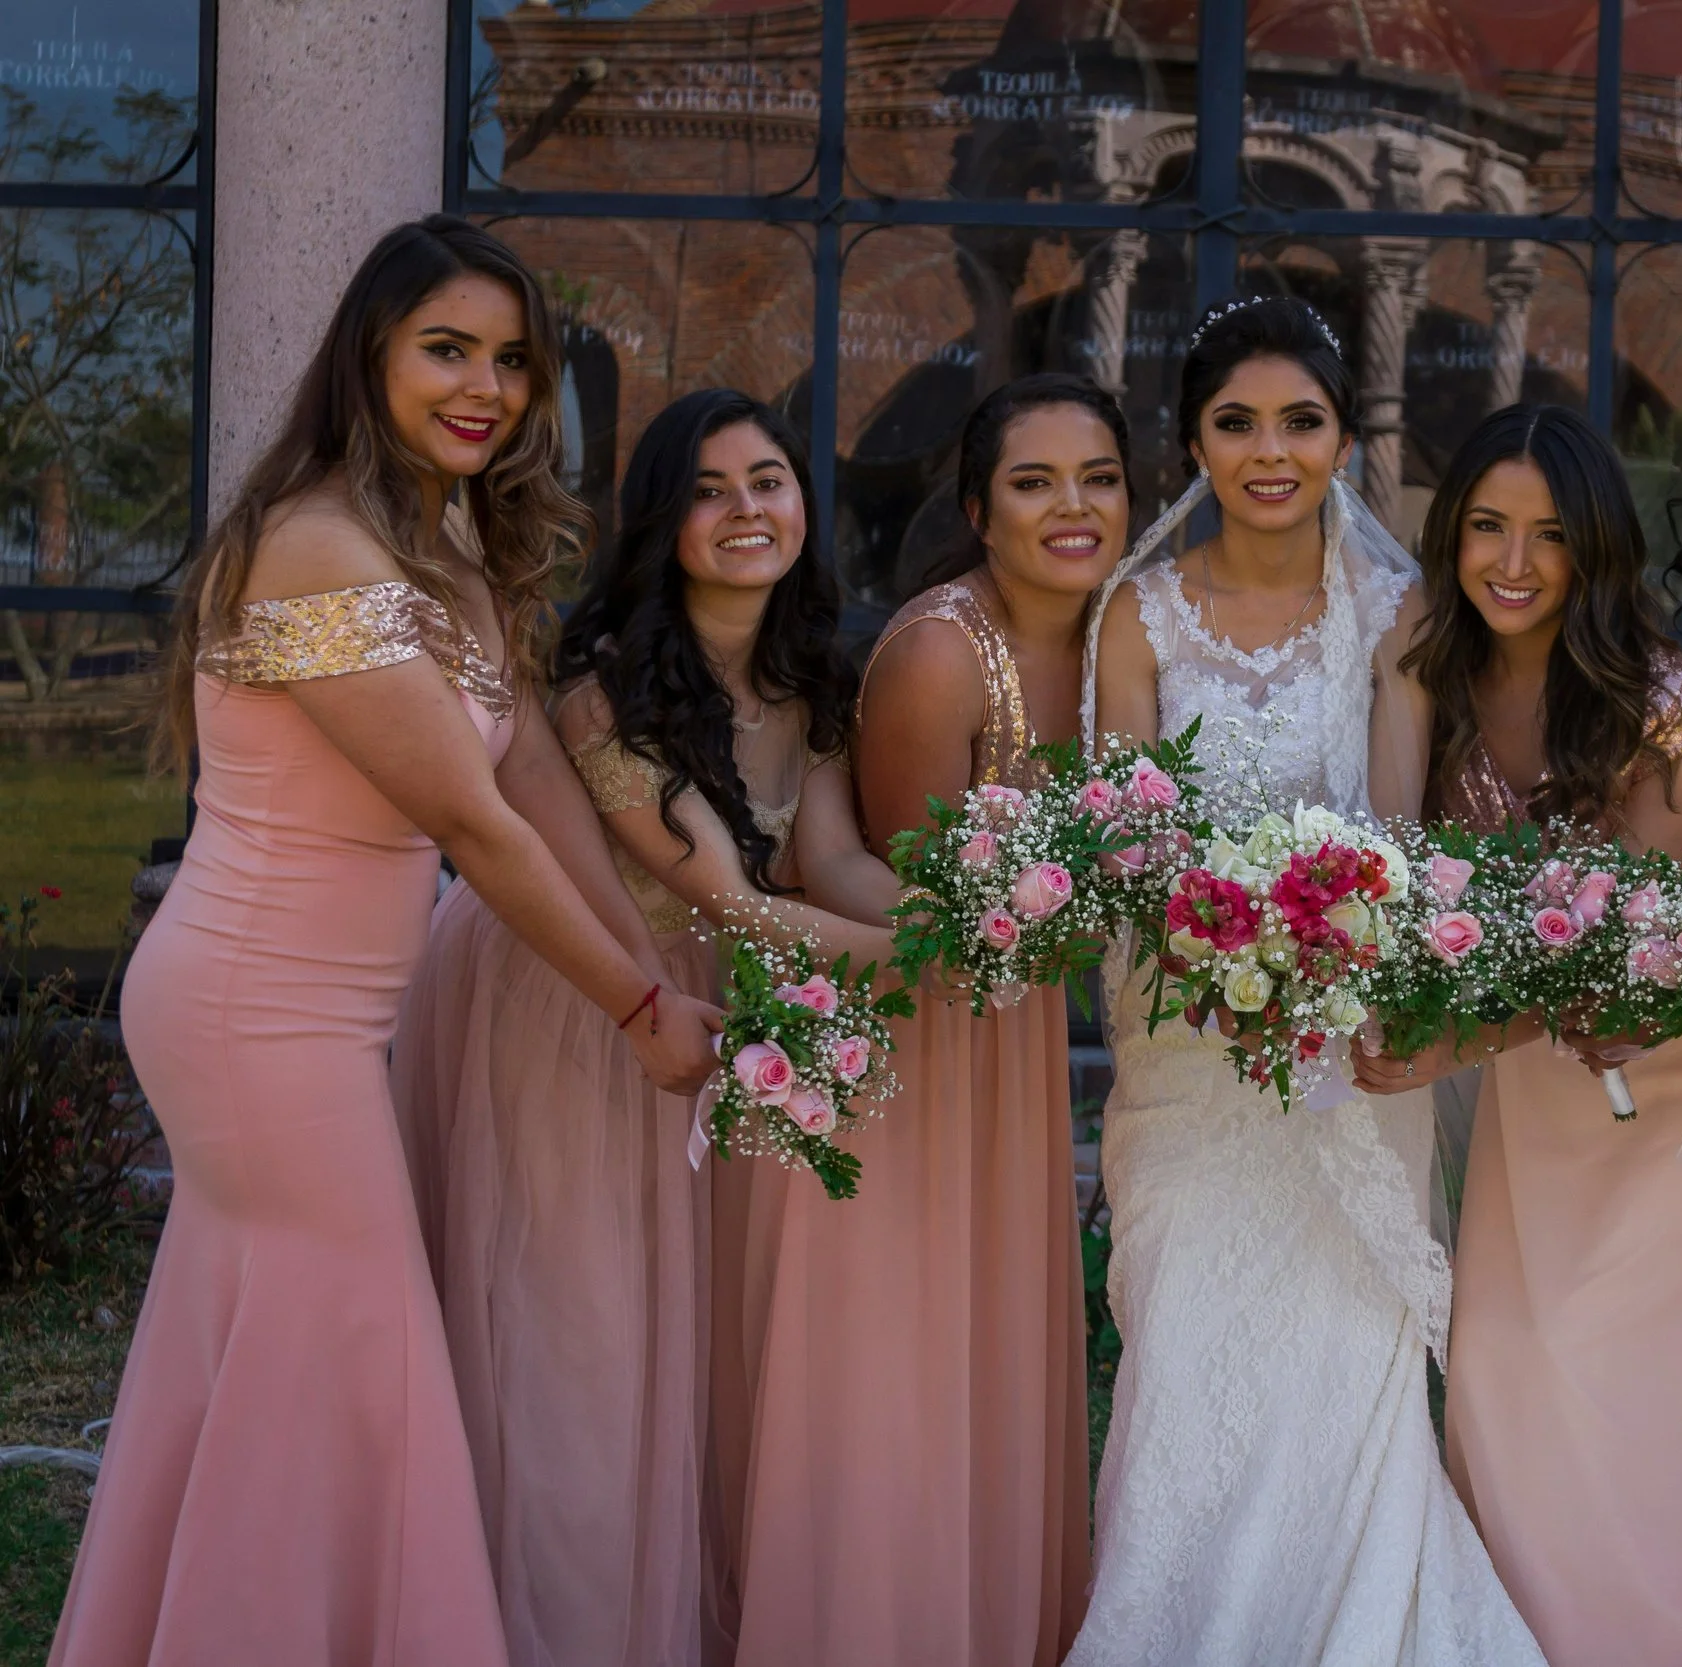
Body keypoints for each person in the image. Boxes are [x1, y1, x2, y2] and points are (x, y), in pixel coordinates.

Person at [47, 217, 720, 1667]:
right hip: (251, 1009)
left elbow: (532, 762)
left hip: (324, 1015)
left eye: (513, 360)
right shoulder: (315, 544)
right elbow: (474, 828)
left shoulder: (446, 543)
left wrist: (653, 966)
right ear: (370, 356)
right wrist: (632, 1010)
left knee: (270, 1351)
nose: (484, 385)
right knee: (357, 1348)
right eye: (447, 350)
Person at [1352, 403, 1682, 1667]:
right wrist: (1395, 681)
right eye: (1484, 528)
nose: (1514, 562)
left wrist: (1449, 1047)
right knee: (1514, 1385)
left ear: (1596, 549)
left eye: (1548, 534)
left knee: (1678, 1434)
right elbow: (1392, 868)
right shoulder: (1433, 678)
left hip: (1679, 1105)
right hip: (1535, 1108)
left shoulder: (1668, 701)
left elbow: (1622, 947)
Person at [1074, 295, 1545, 1666]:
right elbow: (1127, 834)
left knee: (1345, 1357)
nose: (1269, 451)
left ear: (1346, 436)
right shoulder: (1138, 612)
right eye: (1236, 423)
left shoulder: (1395, 607)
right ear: (1193, 442)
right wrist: (1208, 959)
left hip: (1348, 1038)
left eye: (1301, 421)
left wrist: (1336, 959)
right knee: (1183, 1356)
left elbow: (1397, 826)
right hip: (1186, 1045)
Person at [391, 387, 893, 1667]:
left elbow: (824, 861)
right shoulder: (602, 688)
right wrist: (944, 961)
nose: (745, 512)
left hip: (712, 995)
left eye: (768, 481)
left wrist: (974, 914)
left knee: (683, 1335)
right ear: (662, 519)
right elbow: (723, 895)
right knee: (582, 1329)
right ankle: (548, 1629)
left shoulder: (814, 674)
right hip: (577, 994)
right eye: (711, 490)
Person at [720, 373, 1118, 1666]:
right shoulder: (946, 648)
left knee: (985, 1357)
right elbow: (877, 871)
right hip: (910, 1026)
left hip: (1008, 1035)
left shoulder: (1129, 638)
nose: (1073, 505)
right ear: (976, 508)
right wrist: (993, 938)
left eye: (1100, 478)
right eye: (1035, 480)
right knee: (890, 1353)